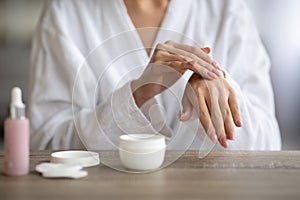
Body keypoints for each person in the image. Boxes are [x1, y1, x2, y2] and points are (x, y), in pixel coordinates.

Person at [28, 0, 281, 150]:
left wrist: (218, 88)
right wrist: (137, 95)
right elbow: (45, 143)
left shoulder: (228, 11)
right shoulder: (66, 13)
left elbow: (269, 144)